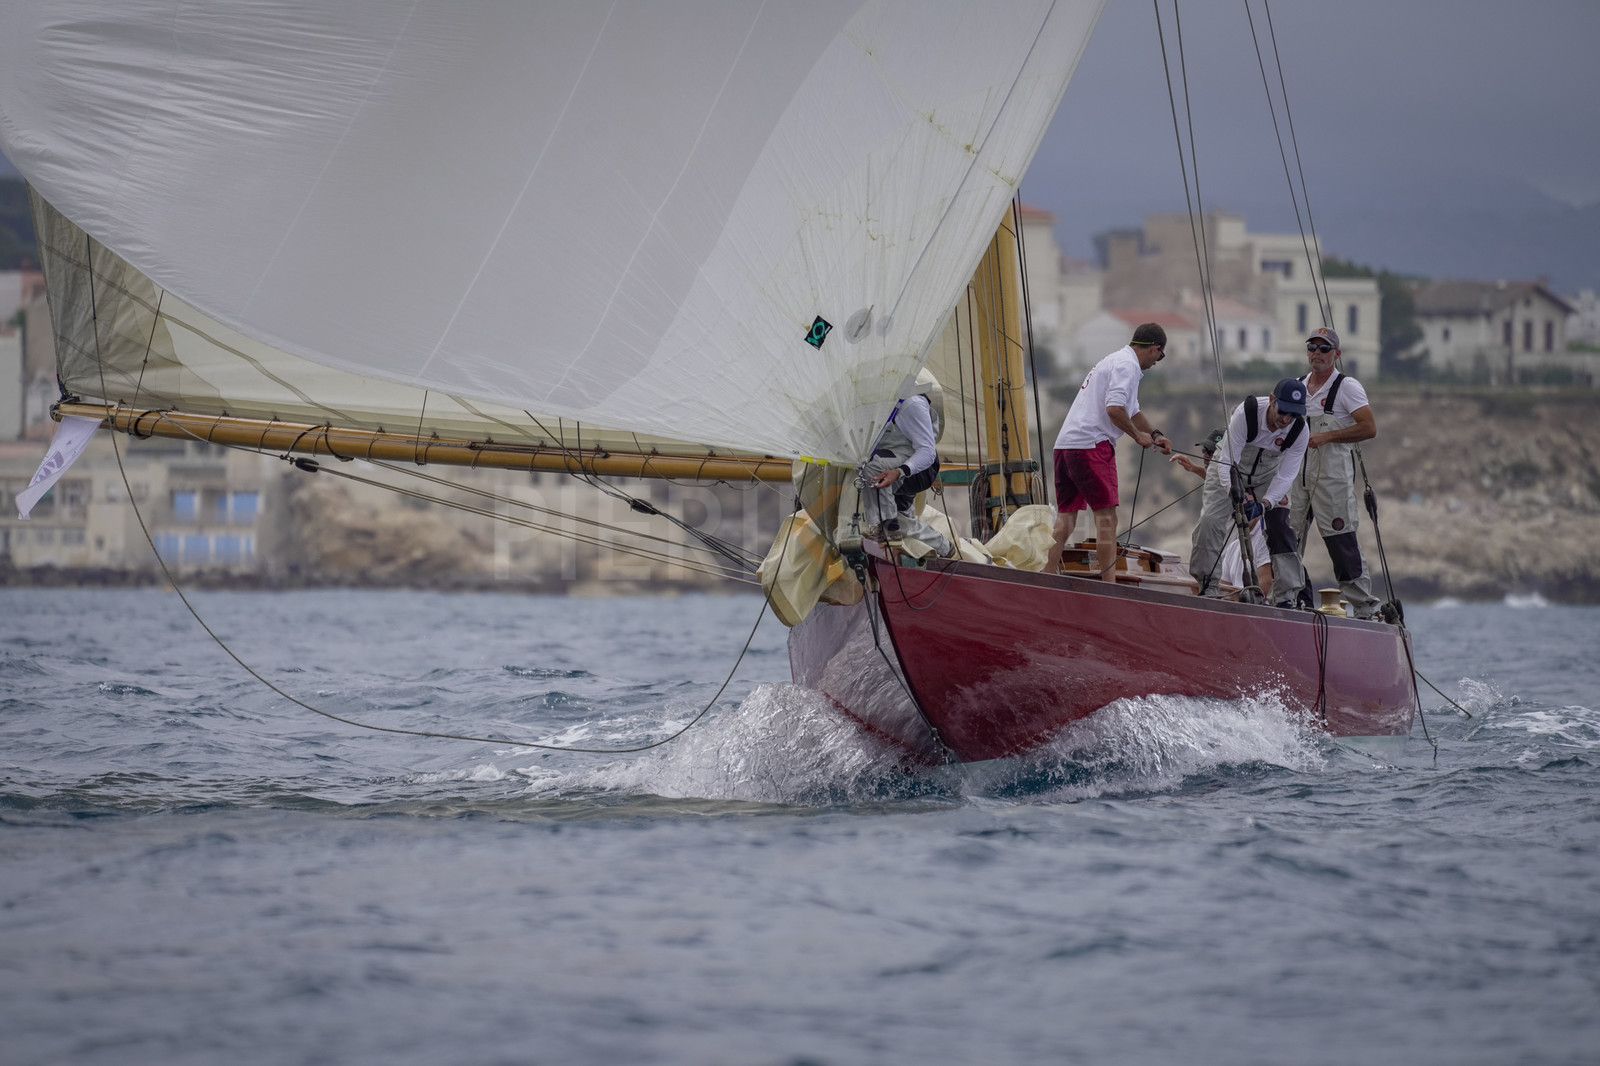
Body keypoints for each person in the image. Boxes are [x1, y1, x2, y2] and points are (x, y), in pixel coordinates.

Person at [1044, 322, 1172, 580]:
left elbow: (1132, 410)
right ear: (1155, 348)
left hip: (1066, 445)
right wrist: (1137, 437)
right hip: (1092, 446)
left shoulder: (1116, 360)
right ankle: (1109, 587)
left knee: (1066, 518)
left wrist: (1155, 434)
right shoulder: (1128, 366)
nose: (1158, 361)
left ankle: (1044, 577)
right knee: (1107, 520)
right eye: (1161, 355)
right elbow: (1114, 409)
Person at [1286, 326, 1382, 619]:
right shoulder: (1298, 386)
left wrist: (1326, 437)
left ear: (1336, 354)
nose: (1317, 353)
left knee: (1341, 542)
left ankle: (1365, 608)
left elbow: (1369, 428)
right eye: (1312, 347)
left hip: (1333, 476)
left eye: (1324, 349)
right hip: (1297, 475)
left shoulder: (1347, 387)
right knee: (1287, 539)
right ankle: (1290, 600)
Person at [1189, 378, 1310, 605]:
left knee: (1281, 527)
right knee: (1210, 522)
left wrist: (1264, 503)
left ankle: (1286, 597)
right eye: (1283, 411)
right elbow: (1226, 461)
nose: (1286, 419)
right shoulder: (1248, 412)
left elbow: (1286, 476)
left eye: (1293, 414)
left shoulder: (1300, 430)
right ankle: (1207, 587)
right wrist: (1236, 494)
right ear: (1272, 400)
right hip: (1230, 466)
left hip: (1269, 473)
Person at [859, 370, 953, 558]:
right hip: (893, 459)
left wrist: (900, 472)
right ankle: (944, 548)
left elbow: (927, 451)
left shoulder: (912, 404)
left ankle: (887, 526)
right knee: (903, 518)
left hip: (919, 468)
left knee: (872, 468)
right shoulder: (876, 402)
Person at [1172, 431, 1271, 597]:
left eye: (1211, 452)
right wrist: (1196, 469)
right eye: (1204, 450)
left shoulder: (1262, 537)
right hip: (1226, 562)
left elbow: (1232, 487)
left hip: (1239, 558)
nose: (1206, 455)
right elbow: (1221, 483)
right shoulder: (1218, 486)